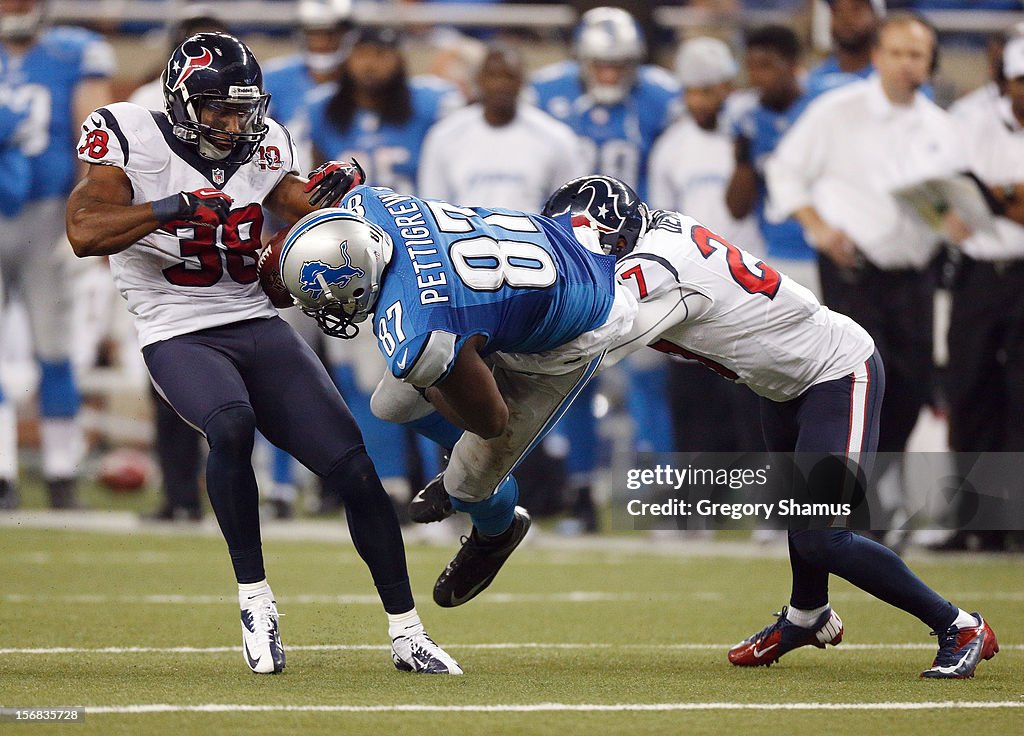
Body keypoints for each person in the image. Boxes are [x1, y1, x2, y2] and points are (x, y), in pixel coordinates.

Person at [65, 32, 460, 676]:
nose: (235, 122)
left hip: (254, 316)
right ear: (183, 99)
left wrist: (334, 189)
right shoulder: (128, 134)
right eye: (220, 108)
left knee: (355, 471)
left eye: (244, 108)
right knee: (230, 424)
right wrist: (168, 206)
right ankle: (256, 601)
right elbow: (84, 231)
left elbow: (293, 201)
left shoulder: (260, 140)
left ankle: (407, 631)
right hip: (176, 327)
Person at [544, 174, 1000, 680]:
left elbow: (597, 348)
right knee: (799, 518)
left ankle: (959, 626)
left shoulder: (655, 268)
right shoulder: (655, 239)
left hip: (835, 371)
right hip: (780, 383)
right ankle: (808, 616)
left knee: (823, 537)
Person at [278, 182, 638, 608]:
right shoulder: (369, 205)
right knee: (388, 402)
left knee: (470, 483)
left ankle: (498, 532)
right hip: (545, 257)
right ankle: (467, 458)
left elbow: (489, 419)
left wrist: (439, 373)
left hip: (574, 325)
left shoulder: (421, 325)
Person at [765, 13, 966, 498]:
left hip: (915, 275)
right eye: (896, 53)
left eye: (915, 55)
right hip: (852, 271)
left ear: (929, 63)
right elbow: (784, 171)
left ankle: (871, 494)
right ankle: (841, 497)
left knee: (912, 390)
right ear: (876, 56)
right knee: (851, 383)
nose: (905, 64)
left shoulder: (943, 128)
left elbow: (951, 204)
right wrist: (819, 228)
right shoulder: (835, 111)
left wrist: (955, 223)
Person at [530, 6, 681, 528]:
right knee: (575, 375)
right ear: (582, 60)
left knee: (648, 374)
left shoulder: (662, 96)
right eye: (602, 64)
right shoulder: (547, 94)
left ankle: (663, 499)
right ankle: (582, 494)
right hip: (573, 254)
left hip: (645, 251)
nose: (611, 74)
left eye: (620, 65)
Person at [0, 0, 115, 508]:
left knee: (55, 347)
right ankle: (3, 474)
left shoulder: (76, 51)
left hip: (48, 212)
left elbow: (94, 138)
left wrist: (85, 213)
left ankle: (61, 473)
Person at [648, 36, 766, 458]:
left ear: (728, 88)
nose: (699, 100)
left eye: (708, 90)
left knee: (752, 399)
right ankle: (694, 504)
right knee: (691, 400)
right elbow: (660, 220)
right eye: (691, 91)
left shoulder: (751, 135)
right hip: (692, 285)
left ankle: (763, 503)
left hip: (749, 281)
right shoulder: (671, 146)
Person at [935, 35, 1024, 552]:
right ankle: (974, 520)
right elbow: (950, 196)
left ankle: (1014, 523)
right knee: (969, 391)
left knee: (1019, 396)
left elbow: (976, 196)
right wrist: (1003, 198)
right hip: (978, 272)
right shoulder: (968, 118)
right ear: (1003, 80)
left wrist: (988, 195)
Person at [418, 42, 585, 212]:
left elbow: (570, 207)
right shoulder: (445, 136)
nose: (500, 84)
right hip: (464, 237)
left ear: (522, 81)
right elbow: (433, 207)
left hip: (531, 237)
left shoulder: (556, 137)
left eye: (509, 76)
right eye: (493, 76)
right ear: (479, 80)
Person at [726, 25, 819, 296]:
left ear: (793, 65)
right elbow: (737, 208)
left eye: (766, 66)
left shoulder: (820, 110)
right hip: (774, 255)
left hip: (823, 251)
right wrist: (743, 155)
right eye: (751, 67)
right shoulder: (748, 118)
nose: (757, 77)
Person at [806, 0, 887, 101]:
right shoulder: (814, 80)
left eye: (856, 9)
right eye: (837, 11)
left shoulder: (890, 77)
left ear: (878, 17)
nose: (846, 19)